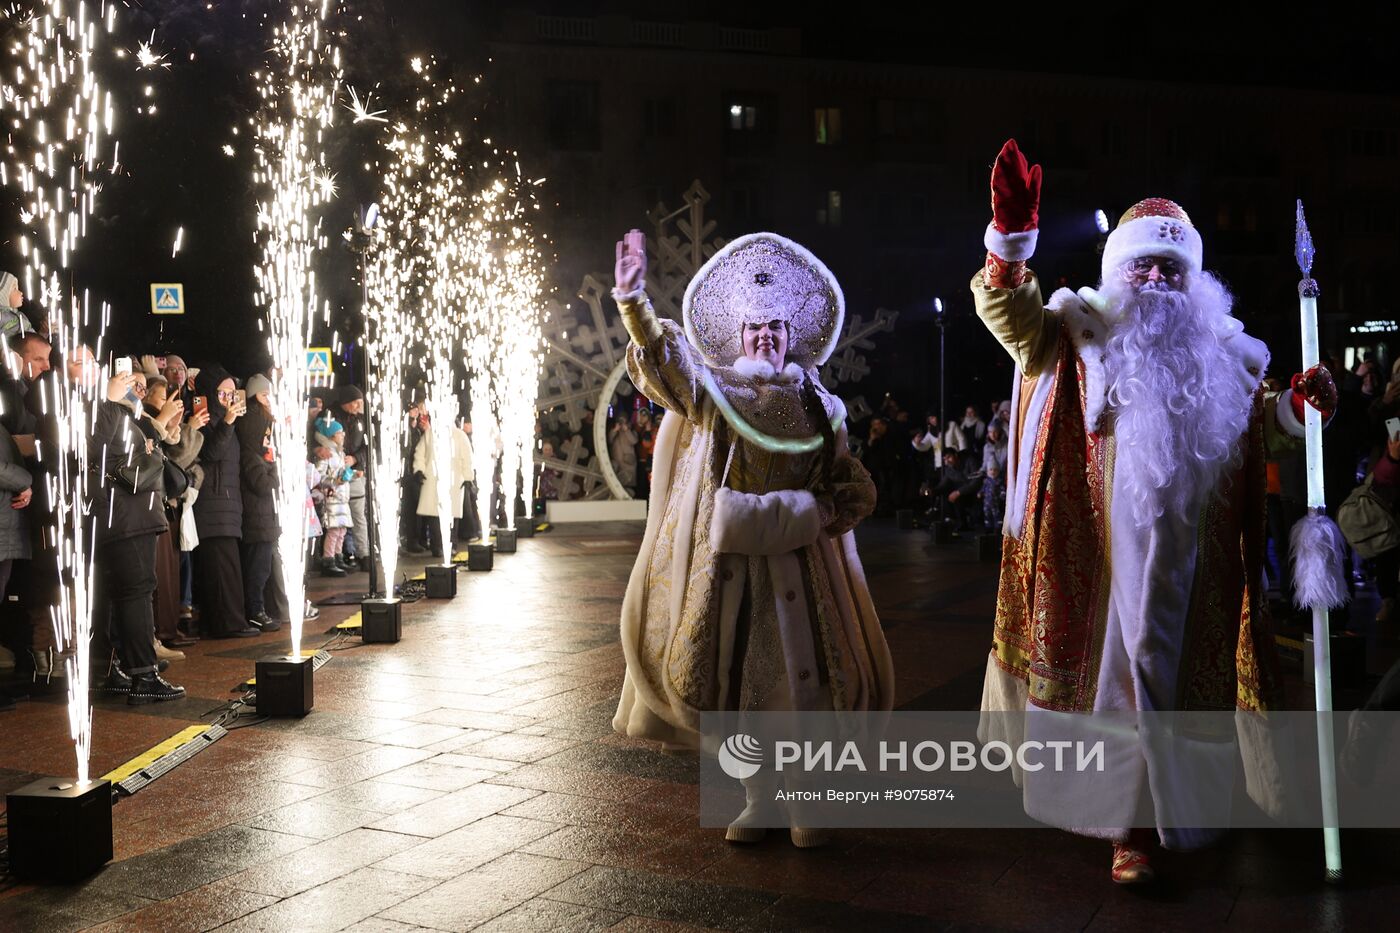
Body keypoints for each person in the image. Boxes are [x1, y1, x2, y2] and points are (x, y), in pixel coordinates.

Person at [972, 140, 1337, 883]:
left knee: (1179, 686)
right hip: (1103, 569)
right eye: (1141, 266)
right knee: (1120, 681)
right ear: (1116, 275)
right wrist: (1009, 244)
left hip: (1196, 569)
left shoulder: (1226, 357)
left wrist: (1299, 407)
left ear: (1194, 281)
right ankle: (1127, 827)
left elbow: (1261, 426)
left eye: (1171, 269)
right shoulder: (1073, 337)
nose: (1156, 279)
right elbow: (1011, 318)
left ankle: (1187, 813)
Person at [609, 228, 894, 848]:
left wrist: (825, 507)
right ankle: (760, 798)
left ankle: (808, 801)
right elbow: (667, 365)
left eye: (777, 328)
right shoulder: (715, 394)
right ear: (739, 336)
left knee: (808, 682)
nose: (765, 336)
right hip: (735, 570)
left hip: (804, 564)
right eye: (755, 328)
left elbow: (850, 482)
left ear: (792, 336)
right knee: (744, 681)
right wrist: (634, 303)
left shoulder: (823, 407)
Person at [90, 367, 184, 703]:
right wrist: (111, 401)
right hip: (126, 517)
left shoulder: (115, 409)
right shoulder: (104, 406)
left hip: (128, 515)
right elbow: (95, 452)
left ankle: (122, 669)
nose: (130, 385)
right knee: (135, 592)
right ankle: (144, 674)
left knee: (124, 593)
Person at [192, 366, 256, 638]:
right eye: (223, 392)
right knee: (220, 568)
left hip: (227, 504)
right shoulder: (204, 417)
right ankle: (227, 624)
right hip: (211, 504)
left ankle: (230, 621)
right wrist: (228, 422)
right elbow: (210, 453)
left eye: (233, 392)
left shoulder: (228, 420)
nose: (229, 397)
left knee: (227, 567)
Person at [237, 373, 286, 629]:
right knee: (258, 568)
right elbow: (263, 484)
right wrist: (276, 471)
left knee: (261, 566)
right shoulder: (253, 452)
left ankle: (260, 609)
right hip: (258, 518)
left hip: (263, 517)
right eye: (266, 395)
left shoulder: (259, 451)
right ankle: (256, 611)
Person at [411, 412, 472, 559]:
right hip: (433, 480)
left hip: (453, 480)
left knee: (452, 516)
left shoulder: (459, 435)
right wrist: (419, 470)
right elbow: (420, 453)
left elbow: (467, 457)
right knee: (434, 517)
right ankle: (437, 546)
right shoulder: (430, 434)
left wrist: (468, 477)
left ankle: (451, 545)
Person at [608, 415, 639, 496]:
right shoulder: (614, 432)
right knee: (618, 485)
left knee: (629, 484)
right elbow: (609, 440)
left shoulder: (631, 432)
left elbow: (634, 441)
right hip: (617, 463)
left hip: (628, 463)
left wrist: (627, 430)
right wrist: (615, 430)